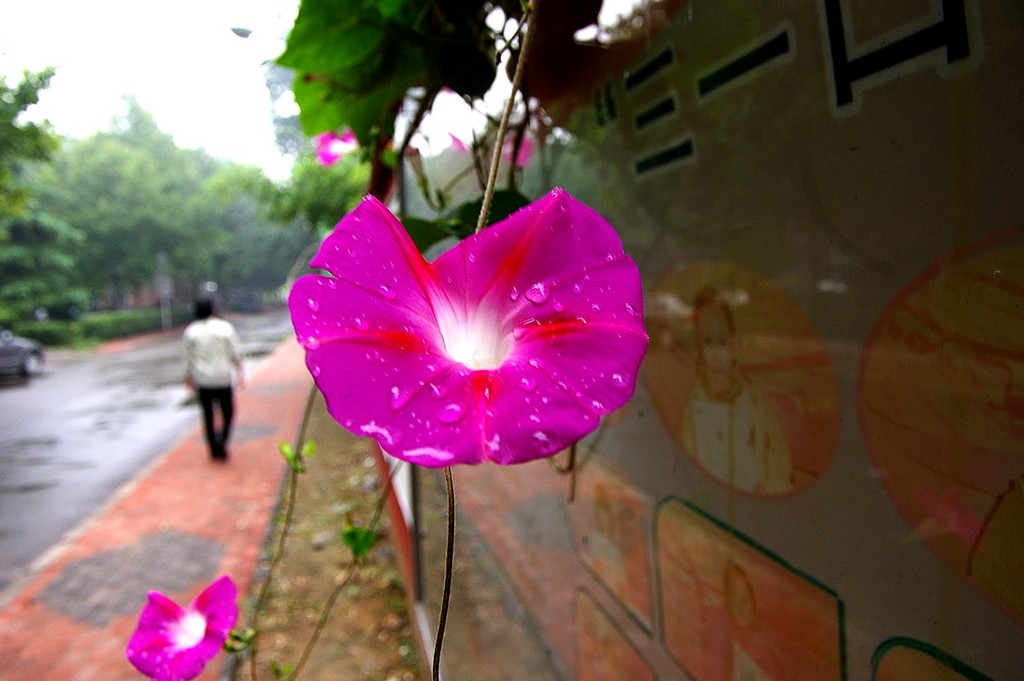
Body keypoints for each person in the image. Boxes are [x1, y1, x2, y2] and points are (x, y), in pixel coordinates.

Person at [680, 288, 793, 494]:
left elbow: (776, 459)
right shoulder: (694, 406)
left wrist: (767, 487)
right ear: (699, 347)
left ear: (733, 343)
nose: (715, 352)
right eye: (708, 343)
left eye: (722, 342)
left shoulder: (753, 401)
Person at [183, 298, 243, 460]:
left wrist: (187, 377)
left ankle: (213, 448)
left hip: (203, 380)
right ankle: (222, 440)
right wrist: (240, 373)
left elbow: (188, 358)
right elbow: (236, 352)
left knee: (208, 415)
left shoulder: (191, 331)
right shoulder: (224, 328)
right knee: (228, 412)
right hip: (223, 378)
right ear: (213, 310)